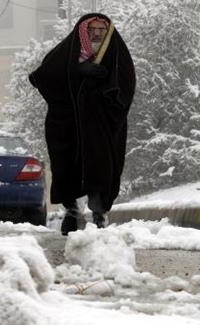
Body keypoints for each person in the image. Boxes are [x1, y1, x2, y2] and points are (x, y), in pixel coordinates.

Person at [28, 13, 136, 235]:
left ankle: (99, 213)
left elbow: (126, 86)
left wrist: (105, 89)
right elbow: (43, 76)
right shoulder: (67, 53)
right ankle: (72, 212)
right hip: (67, 125)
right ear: (83, 32)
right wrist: (76, 70)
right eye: (92, 30)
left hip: (101, 126)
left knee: (100, 167)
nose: (96, 34)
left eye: (101, 30)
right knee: (66, 167)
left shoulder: (115, 54)